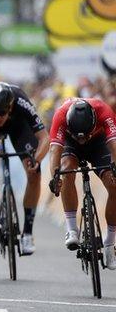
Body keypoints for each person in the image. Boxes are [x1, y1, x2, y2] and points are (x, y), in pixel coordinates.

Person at [0, 82, 49, 255]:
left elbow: (44, 138)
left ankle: (27, 232)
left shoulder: (20, 101)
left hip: (19, 127)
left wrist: (37, 160)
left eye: (2, 112)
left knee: (34, 174)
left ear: (10, 106)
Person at [48, 98, 116, 269]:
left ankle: (109, 243)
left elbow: (114, 146)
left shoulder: (104, 111)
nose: (82, 140)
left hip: (99, 142)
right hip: (70, 147)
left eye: (84, 135)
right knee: (65, 170)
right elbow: (54, 150)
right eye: (79, 136)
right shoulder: (61, 115)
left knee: (114, 185)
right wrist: (55, 178)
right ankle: (71, 229)